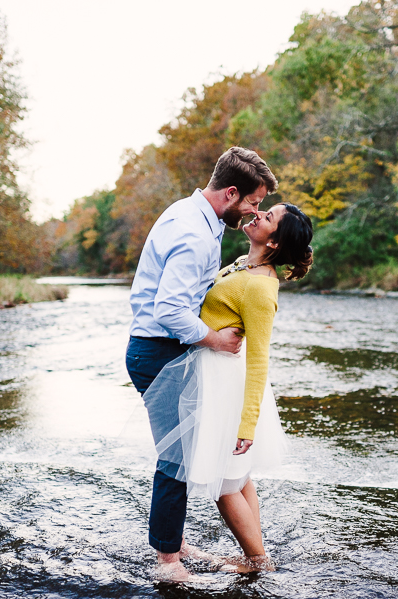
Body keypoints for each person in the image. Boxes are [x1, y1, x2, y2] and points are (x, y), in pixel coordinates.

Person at [125, 147, 279, 581]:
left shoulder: (195, 216)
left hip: (164, 349)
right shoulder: (194, 233)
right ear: (231, 192)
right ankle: (168, 563)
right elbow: (170, 311)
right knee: (176, 458)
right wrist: (217, 340)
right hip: (159, 352)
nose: (253, 212)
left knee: (186, 453)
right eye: (251, 202)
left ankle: (172, 542)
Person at [143, 202, 314, 573]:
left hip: (226, 384)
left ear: (273, 243)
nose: (258, 215)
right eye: (263, 210)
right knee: (238, 477)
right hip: (214, 376)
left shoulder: (259, 287)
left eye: (268, 218)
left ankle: (257, 562)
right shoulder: (244, 264)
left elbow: (259, 360)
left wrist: (247, 423)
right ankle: (259, 553)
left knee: (223, 482)